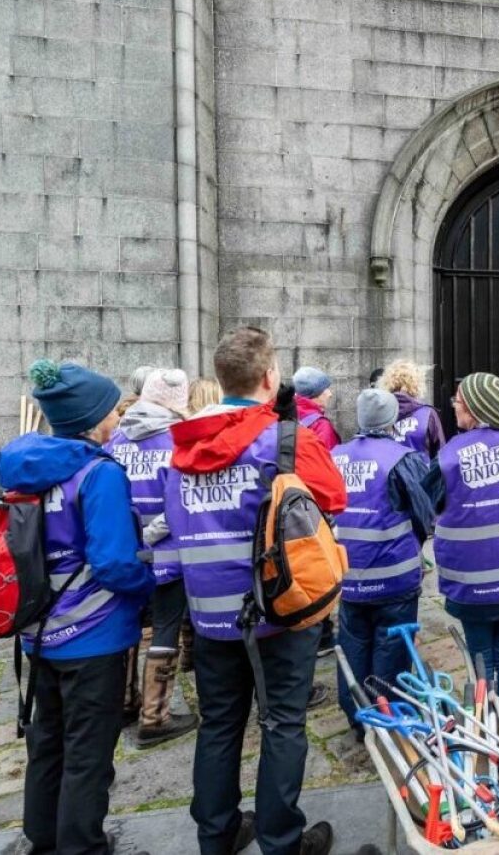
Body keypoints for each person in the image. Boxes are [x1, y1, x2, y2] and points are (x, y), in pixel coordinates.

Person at [161, 327, 344, 855]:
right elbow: (333, 499)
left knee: (219, 725)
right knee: (283, 724)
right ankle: (282, 840)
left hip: (210, 614)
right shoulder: (286, 440)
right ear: (270, 377)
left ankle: (216, 835)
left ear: (221, 380)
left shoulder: (182, 449)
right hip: (278, 608)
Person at [0, 360, 157, 854]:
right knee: (89, 751)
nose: (116, 419)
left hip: (39, 627)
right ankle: (83, 845)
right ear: (91, 420)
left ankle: (42, 836)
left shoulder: (22, 468)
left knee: (47, 740)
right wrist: (148, 583)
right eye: (111, 411)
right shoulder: (98, 473)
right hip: (94, 631)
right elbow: (112, 563)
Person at [427, 372, 499, 700]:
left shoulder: (449, 455)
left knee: (479, 662)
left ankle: (484, 737)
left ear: (477, 409)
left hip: (471, 582)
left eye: (459, 402)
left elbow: (429, 503)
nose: (454, 408)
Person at [331, 389, 434, 741]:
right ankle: (388, 717)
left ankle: (357, 716)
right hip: (394, 576)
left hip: (348, 574)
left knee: (353, 643)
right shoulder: (402, 458)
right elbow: (425, 511)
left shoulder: (336, 456)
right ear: (392, 420)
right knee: (391, 649)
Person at [108, 368, 200, 746]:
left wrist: (132, 536)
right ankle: (155, 715)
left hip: (124, 552)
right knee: (165, 628)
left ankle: (125, 702)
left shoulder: (114, 440)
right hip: (167, 553)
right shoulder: (177, 443)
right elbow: (181, 502)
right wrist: (150, 534)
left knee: (128, 625)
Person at [378, 359, 447, 458]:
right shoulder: (428, 414)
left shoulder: (378, 416)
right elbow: (441, 456)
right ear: (416, 383)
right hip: (423, 472)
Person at [293, 366, 340, 449]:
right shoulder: (321, 426)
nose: (330, 394)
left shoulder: (284, 416)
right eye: (326, 389)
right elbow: (327, 459)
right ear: (315, 393)